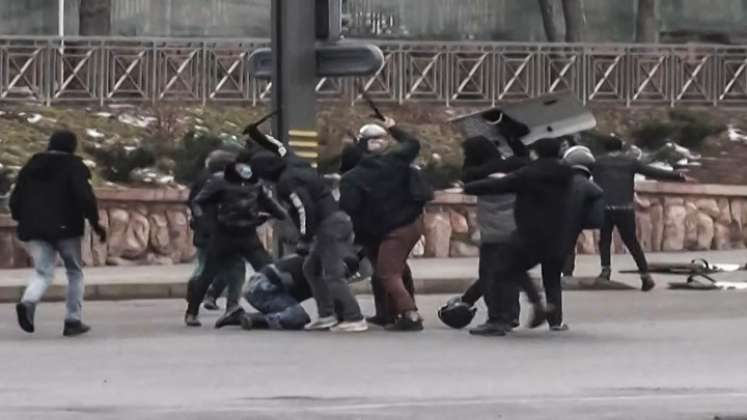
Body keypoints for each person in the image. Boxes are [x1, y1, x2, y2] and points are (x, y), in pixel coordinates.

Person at [247, 124, 368, 333]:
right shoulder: (293, 162)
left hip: (329, 225)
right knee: (310, 269)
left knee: (333, 274)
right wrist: (258, 136)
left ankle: (354, 317)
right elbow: (279, 146)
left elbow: (305, 209)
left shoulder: (287, 182)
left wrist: (304, 238)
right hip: (333, 221)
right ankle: (326, 315)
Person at [462, 138, 575, 336]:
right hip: (558, 234)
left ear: (536, 153)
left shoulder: (529, 173)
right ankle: (541, 307)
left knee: (498, 270)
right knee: (515, 267)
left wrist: (468, 187)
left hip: (530, 232)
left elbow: (501, 185)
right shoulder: (565, 173)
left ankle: (501, 320)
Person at [10, 130, 106, 337]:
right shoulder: (74, 166)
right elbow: (85, 197)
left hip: (33, 228)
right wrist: (96, 223)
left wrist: (22, 218)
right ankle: (73, 320)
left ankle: (28, 301)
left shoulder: (31, 166)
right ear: (72, 146)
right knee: (74, 271)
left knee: (43, 271)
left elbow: (15, 198)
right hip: (66, 228)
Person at [339, 117, 428, 331]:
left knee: (388, 273)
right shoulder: (396, 160)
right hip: (411, 223)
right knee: (396, 269)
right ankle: (386, 313)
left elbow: (350, 208)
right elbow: (413, 143)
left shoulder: (352, 178)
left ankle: (410, 314)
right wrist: (393, 126)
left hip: (390, 230)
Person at [185, 153, 287, 327]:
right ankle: (192, 311)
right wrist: (206, 223)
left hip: (247, 234)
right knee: (208, 273)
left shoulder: (256, 182)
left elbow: (268, 202)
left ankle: (280, 308)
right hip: (223, 235)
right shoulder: (218, 181)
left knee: (269, 270)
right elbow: (198, 202)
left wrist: (280, 214)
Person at [592, 137, 692, 291]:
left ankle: (605, 270)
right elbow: (653, 171)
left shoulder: (597, 163)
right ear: (621, 148)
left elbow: (579, 171)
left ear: (604, 148)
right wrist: (678, 176)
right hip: (625, 208)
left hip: (604, 207)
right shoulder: (630, 162)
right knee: (632, 242)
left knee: (604, 239)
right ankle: (645, 275)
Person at [459, 135, 527, 335]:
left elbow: (466, 176)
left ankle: (497, 319)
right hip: (516, 231)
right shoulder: (516, 170)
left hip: (493, 234)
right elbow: (522, 156)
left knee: (490, 277)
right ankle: (512, 314)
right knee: (510, 276)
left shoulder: (477, 177)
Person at [239, 252, 370, 331]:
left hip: (258, 285)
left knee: (292, 312)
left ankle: (237, 317)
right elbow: (337, 302)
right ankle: (256, 320)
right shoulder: (320, 269)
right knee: (298, 317)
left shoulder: (318, 263)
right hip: (261, 286)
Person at [187, 149, 245, 312]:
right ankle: (230, 304)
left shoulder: (202, 179)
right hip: (224, 232)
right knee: (235, 267)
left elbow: (192, 202)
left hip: (204, 231)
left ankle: (197, 296)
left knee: (205, 266)